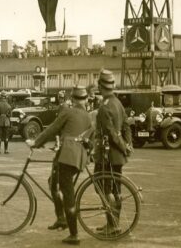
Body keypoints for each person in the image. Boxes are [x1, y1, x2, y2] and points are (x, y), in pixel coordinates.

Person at [26, 86, 92, 246]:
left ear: (73, 99)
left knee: (67, 192)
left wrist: (36, 142)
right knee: (52, 182)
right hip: (77, 156)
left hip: (68, 157)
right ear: (84, 100)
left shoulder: (68, 112)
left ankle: (74, 234)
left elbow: (53, 128)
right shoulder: (87, 116)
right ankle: (61, 219)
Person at [93, 69, 132, 236]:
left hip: (107, 155)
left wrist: (123, 146)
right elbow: (126, 126)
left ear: (101, 87)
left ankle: (113, 224)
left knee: (102, 187)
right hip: (118, 157)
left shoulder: (104, 107)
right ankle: (111, 222)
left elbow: (110, 133)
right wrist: (128, 145)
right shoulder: (118, 103)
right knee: (116, 190)